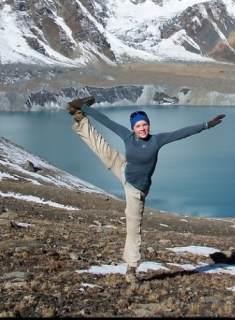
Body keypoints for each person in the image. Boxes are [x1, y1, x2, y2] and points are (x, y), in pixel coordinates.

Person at [66, 96, 225, 284]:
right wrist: (84, 108)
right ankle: (131, 270)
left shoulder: (156, 141)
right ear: (133, 128)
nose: (142, 129)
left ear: (149, 125)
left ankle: (130, 266)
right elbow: (106, 121)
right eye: (138, 126)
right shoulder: (127, 136)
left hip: (137, 190)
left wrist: (206, 125)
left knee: (134, 225)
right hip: (125, 173)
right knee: (102, 149)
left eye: (144, 125)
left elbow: (182, 133)